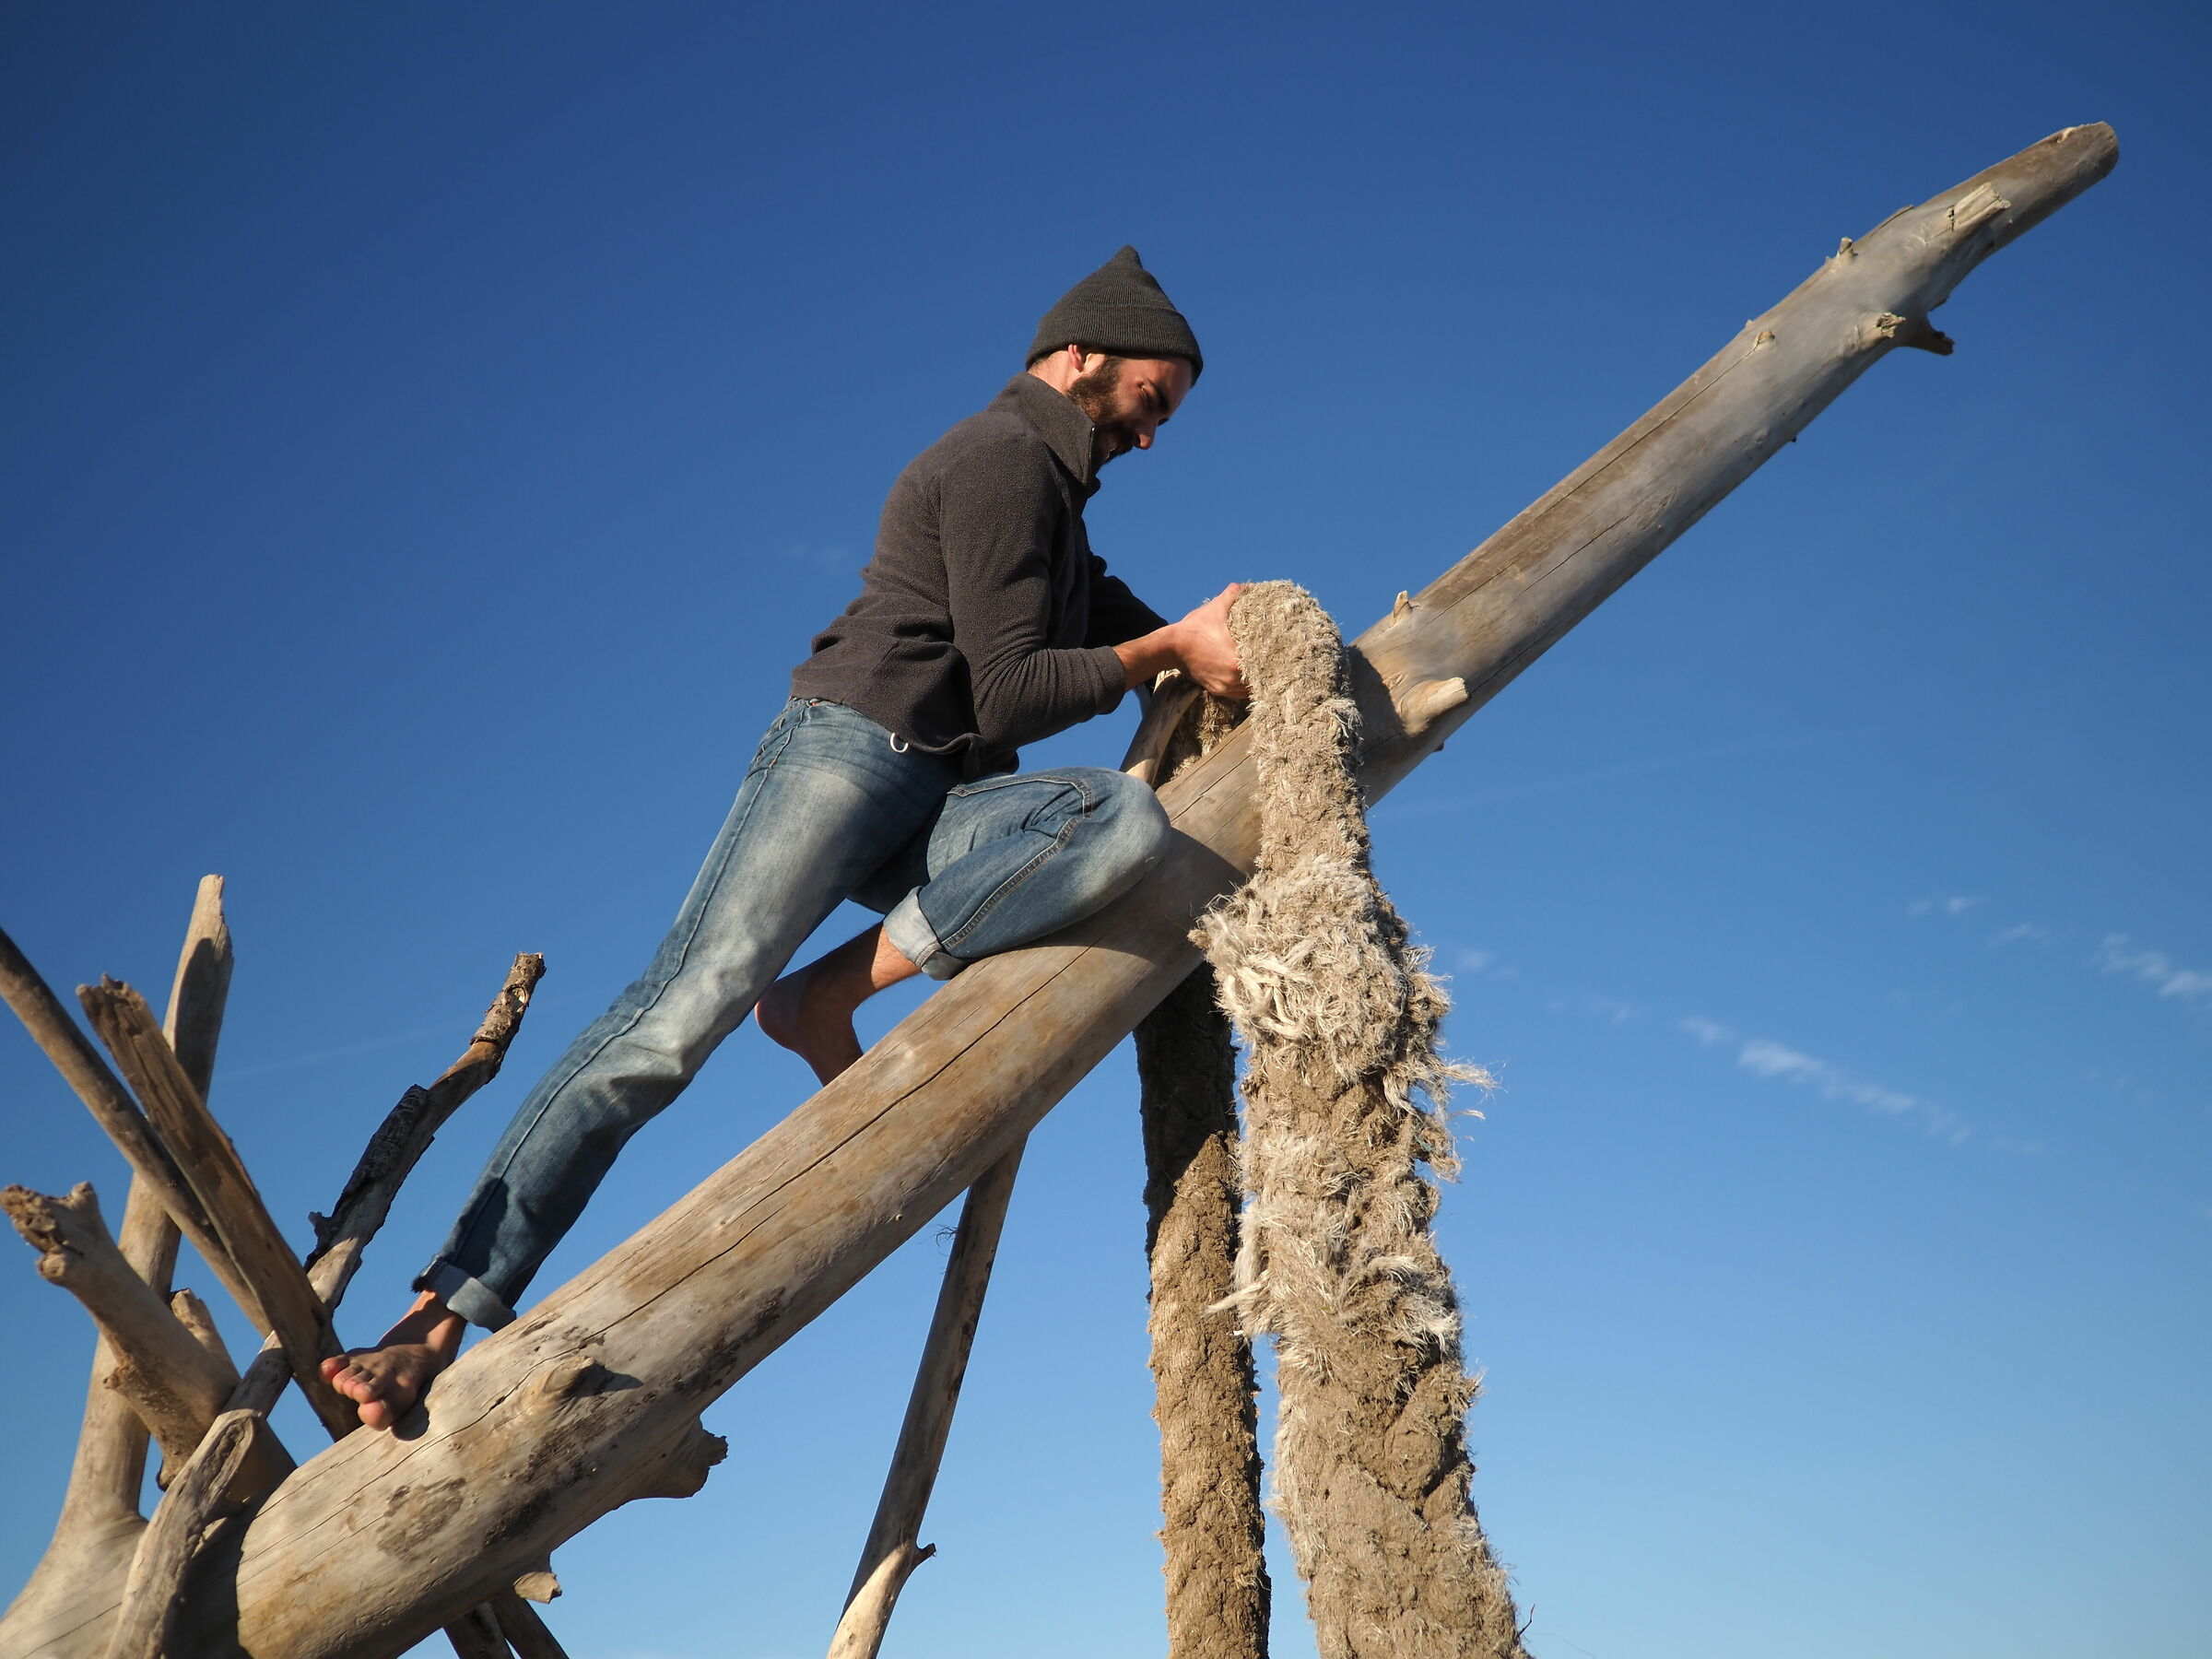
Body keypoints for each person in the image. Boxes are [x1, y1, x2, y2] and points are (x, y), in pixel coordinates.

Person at [323, 247, 1247, 1429]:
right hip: (851, 754)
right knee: (674, 1017)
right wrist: (1171, 650)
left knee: (1112, 818)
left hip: (941, 798)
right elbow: (1017, 690)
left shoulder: (1060, 517)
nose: (1152, 436)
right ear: (1080, 359)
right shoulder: (1002, 458)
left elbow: (1134, 631)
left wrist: (1213, 636)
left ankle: (822, 1001)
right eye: (1146, 403)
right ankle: (437, 1311)